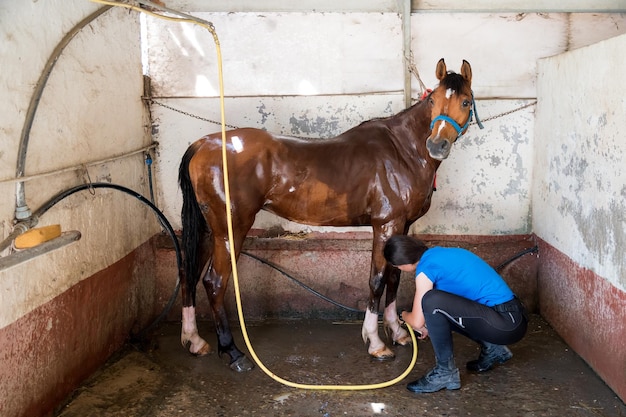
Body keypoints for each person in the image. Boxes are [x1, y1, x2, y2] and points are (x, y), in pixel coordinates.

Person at [383, 235, 528, 393]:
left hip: (506, 324)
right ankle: (494, 347)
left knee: (431, 300)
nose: (398, 269)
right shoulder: (439, 255)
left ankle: (446, 373)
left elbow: (417, 321)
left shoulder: (426, 269)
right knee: (435, 305)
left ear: (403, 263)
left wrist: (403, 315)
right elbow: (441, 313)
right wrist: (429, 324)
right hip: (512, 317)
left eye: (396, 266)